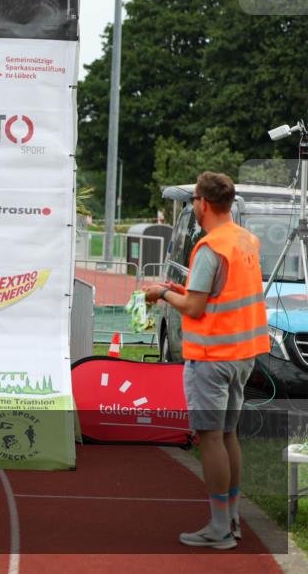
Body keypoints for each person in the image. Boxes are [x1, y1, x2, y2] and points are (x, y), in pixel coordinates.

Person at [142, 171, 268, 550]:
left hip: (212, 356)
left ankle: (219, 529)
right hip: (242, 354)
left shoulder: (209, 247)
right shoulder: (247, 240)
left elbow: (195, 308)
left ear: (204, 204)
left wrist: (162, 294)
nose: (193, 205)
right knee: (228, 434)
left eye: (194, 199)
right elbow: (216, 294)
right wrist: (180, 290)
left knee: (210, 438)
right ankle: (231, 519)